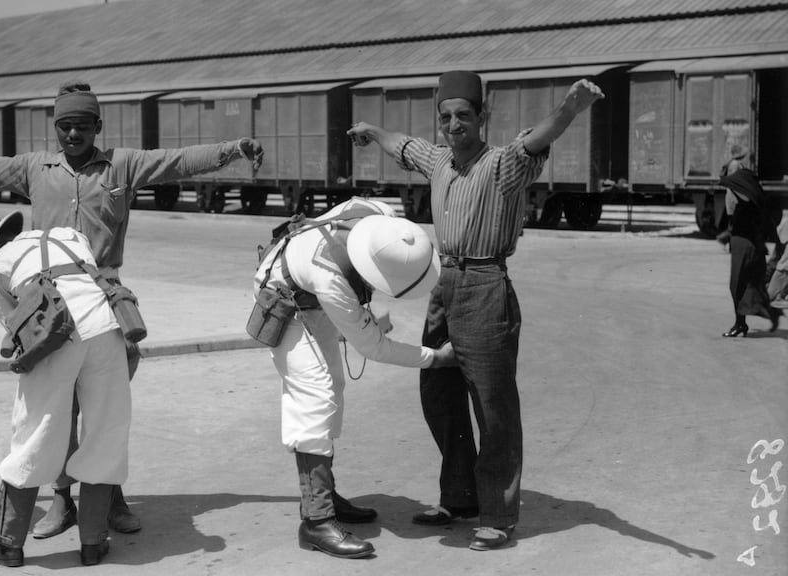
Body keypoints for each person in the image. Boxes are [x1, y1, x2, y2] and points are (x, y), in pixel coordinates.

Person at [0, 79, 263, 539]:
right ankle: (62, 500)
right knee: (56, 408)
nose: (73, 135)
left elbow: (178, 161)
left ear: (98, 127)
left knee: (105, 407)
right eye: (65, 127)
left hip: (107, 301)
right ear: (56, 128)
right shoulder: (36, 168)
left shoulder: (121, 165)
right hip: (48, 304)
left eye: (83, 127)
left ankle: (109, 496)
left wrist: (233, 148)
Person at [347, 71, 604, 551]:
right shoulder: (440, 160)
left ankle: (499, 514)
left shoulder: (502, 165)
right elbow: (406, 146)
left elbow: (537, 141)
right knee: (438, 392)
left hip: (487, 284)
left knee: (492, 405)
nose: (453, 124)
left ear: (482, 117)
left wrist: (571, 107)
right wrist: (373, 131)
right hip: (445, 284)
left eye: (464, 115)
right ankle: (459, 496)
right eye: (446, 116)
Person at [253, 196, 459, 559]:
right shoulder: (331, 278)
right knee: (315, 399)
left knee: (334, 386)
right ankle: (316, 521)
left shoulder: (379, 213)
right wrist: (435, 359)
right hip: (284, 296)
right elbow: (374, 347)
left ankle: (324, 493)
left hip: (308, 290)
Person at [0, 212, 134, 567]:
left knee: (35, 434)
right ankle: (93, 541)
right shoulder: (70, 236)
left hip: (56, 337)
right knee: (105, 431)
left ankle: (9, 544)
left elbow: (17, 328)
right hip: (106, 328)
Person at [719, 168, 781, 336]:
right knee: (747, 285)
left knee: (738, 285)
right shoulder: (750, 201)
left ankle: (742, 324)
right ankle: (745, 322)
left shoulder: (752, 203)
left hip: (746, 248)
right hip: (742, 246)